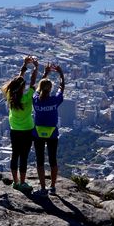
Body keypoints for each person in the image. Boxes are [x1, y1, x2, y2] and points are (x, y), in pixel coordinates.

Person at [1, 55, 38, 192]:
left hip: (14, 130)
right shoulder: (27, 97)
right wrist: (35, 68)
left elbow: (18, 81)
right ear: (23, 87)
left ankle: (15, 182)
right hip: (27, 130)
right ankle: (23, 182)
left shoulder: (10, 96)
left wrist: (24, 66)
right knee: (24, 156)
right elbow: (33, 83)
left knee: (14, 155)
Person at [33, 63, 65, 195]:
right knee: (53, 160)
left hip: (37, 133)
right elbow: (62, 88)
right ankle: (52, 186)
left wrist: (45, 74)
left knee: (40, 161)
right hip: (52, 133)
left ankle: (42, 188)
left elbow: (37, 89)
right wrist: (61, 73)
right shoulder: (54, 100)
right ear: (50, 89)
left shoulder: (35, 100)